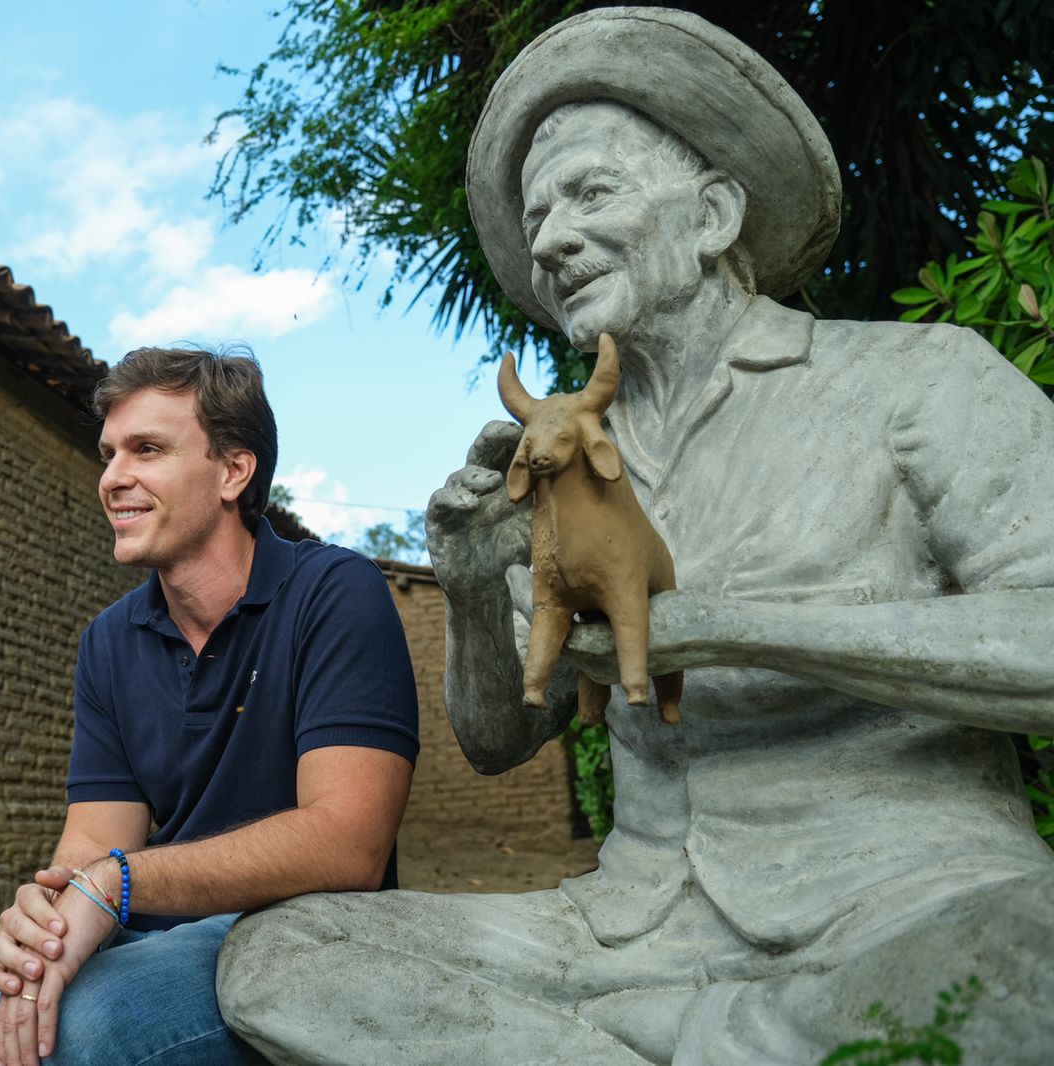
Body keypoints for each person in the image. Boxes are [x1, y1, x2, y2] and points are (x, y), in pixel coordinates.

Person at [216, 9, 1054, 1064]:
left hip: (908, 909)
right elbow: (497, 740)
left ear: (710, 216)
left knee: (1025, 964)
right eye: (537, 216)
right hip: (622, 935)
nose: (550, 239)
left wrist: (711, 629)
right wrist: (474, 586)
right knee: (288, 956)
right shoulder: (559, 456)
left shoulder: (917, 379)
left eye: (591, 193)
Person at [0, 347, 419, 1066]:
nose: (114, 478)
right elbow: (91, 842)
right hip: (151, 940)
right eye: (109, 454)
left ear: (232, 472)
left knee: (75, 1040)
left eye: (147, 449)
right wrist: (45, 933)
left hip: (302, 946)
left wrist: (120, 882)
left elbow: (350, 844)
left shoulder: (336, 593)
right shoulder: (110, 641)